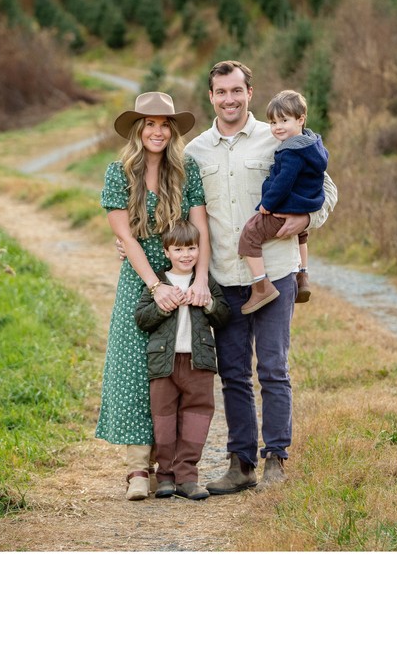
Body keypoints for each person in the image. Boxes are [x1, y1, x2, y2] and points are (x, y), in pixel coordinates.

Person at [185, 60, 337, 493]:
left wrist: (307, 215)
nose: (229, 99)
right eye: (221, 92)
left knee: (272, 367)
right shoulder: (196, 151)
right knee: (232, 373)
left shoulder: (278, 138)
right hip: (225, 278)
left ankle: (276, 460)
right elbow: (180, 213)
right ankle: (240, 463)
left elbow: (327, 189)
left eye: (237, 90)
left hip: (277, 271)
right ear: (211, 96)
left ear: (250, 92)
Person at [96, 92, 212, 502]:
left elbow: (200, 228)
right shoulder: (118, 172)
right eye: (150, 123)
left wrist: (199, 282)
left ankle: (175, 467)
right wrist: (154, 285)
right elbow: (124, 235)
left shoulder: (187, 170)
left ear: (173, 131)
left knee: (172, 372)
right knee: (132, 369)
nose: (158, 131)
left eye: (165, 124)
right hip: (141, 281)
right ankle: (136, 469)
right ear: (137, 129)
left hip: (182, 280)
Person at [134, 220, 231, 501]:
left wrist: (207, 303)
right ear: (167, 252)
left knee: (197, 417)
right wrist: (164, 306)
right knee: (163, 420)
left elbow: (223, 314)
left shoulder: (204, 282)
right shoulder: (158, 284)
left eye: (192, 248)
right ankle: (164, 476)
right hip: (164, 365)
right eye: (178, 249)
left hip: (198, 363)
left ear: (200, 250)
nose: (186, 254)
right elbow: (142, 319)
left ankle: (187, 476)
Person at [239, 89, 329, 314]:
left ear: (300, 119)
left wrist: (267, 204)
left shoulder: (290, 151)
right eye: (272, 122)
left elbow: (283, 182)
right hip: (305, 203)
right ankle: (303, 275)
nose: (277, 127)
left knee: (250, 234)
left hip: (285, 208)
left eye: (284, 120)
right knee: (302, 234)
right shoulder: (311, 144)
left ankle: (261, 286)